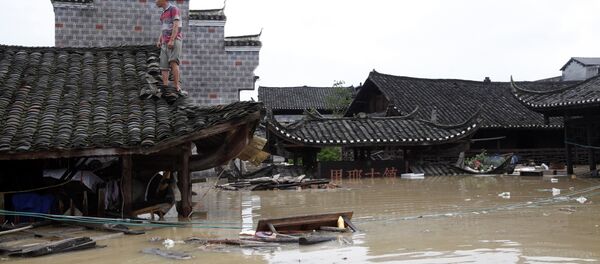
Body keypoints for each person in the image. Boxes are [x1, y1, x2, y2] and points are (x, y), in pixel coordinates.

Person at [155, 0, 185, 95]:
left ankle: (176, 86)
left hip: (174, 40)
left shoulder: (173, 9)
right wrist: (160, 40)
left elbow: (176, 25)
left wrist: (172, 39)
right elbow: (164, 28)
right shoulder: (163, 13)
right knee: (164, 66)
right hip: (165, 42)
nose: (155, 1)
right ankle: (165, 87)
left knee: (173, 62)